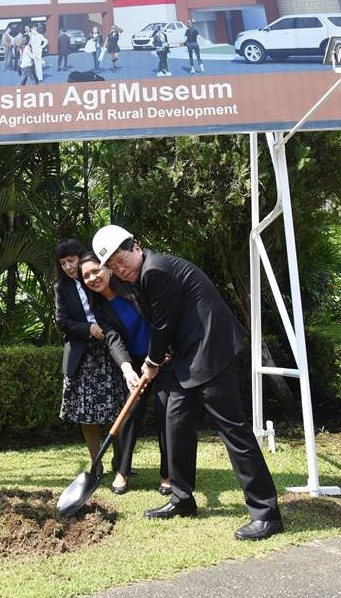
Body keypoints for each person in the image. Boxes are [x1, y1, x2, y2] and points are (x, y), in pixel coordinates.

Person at [92, 225, 284, 541]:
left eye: (120, 259)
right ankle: (182, 499)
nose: (120, 269)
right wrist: (163, 353)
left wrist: (152, 363)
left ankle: (266, 514)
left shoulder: (155, 270)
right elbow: (169, 320)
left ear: (136, 246)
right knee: (175, 423)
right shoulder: (140, 279)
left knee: (233, 430)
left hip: (211, 351)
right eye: (112, 266)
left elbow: (164, 323)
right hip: (188, 355)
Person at [79, 251, 172, 496]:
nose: (92, 278)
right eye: (86, 276)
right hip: (138, 362)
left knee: (167, 413)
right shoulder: (99, 306)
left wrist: (164, 350)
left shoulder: (133, 286)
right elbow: (113, 338)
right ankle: (122, 470)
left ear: (108, 268)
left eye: (95, 270)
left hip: (164, 356)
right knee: (129, 413)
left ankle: (167, 474)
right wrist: (127, 368)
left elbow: (160, 318)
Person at [54, 240, 127, 476]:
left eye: (71, 261)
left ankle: (121, 464)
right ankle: (96, 464)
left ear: (81, 257)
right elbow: (62, 321)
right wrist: (88, 329)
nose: (67, 267)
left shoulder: (97, 278)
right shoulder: (61, 288)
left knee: (117, 409)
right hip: (82, 356)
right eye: (63, 263)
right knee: (87, 414)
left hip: (110, 351)